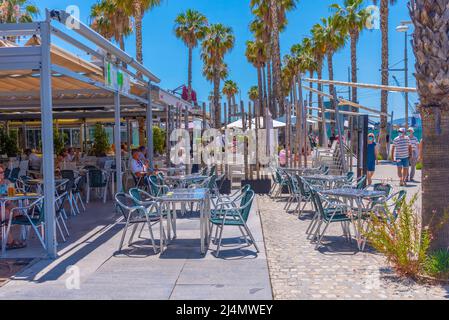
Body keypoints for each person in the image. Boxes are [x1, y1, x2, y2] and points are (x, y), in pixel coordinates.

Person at [0, 164, 26, 249]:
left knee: (10, 207)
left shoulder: (7, 182)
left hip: (5, 203)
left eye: (2, 172)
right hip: (2, 205)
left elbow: (11, 195)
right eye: (0, 172)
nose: (2, 174)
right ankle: (10, 241)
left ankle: (17, 216)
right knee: (6, 213)